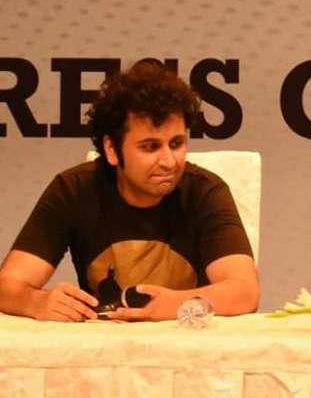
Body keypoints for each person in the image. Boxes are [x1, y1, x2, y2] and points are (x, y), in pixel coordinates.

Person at [0, 59, 259, 322]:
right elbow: (7, 285)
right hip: (102, 343)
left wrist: (174, 305)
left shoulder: (206, 191)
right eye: (150, 147)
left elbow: (245, 292)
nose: (169, 161)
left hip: (188, 340)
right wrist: (37, 301)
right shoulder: (74, 189)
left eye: (176, 144)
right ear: (112, 150)